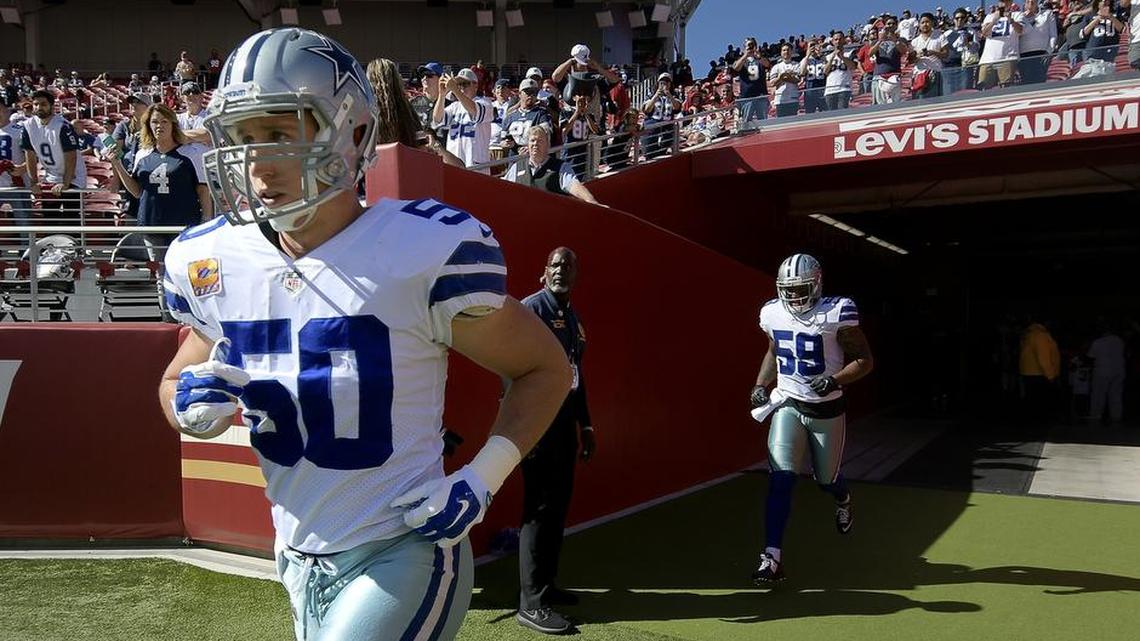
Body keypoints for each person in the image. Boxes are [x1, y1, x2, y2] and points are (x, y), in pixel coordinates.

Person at [158, 28, 571, 641]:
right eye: (243, 137)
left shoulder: (423, 248)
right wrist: (187, 405)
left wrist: (484, 477)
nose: (258, 162)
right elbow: (175, 378)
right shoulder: (211, 258)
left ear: (353, 133)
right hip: (295, 555)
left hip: (403, 546)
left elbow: (546, 367)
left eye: (278, 131)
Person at [750, 253, 874, 584]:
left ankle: (844, 499)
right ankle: (772, 557)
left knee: (826, 480)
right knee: (780, 478)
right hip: (789, 403)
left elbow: (864, 360)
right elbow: (774, 349)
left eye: (800, 288)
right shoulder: (772, 312)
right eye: (787, 290)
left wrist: (836, 380)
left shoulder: (837, 311)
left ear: (816, 284)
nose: (793, 296)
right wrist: (761, 384)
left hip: (827, 410)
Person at [516, 247, 595, 634]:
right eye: (556, 264)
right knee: (538, 510)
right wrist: (524, 428)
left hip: (564, 425)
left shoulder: (574, 319)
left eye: (569, 264)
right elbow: (512, 370)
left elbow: (576, 378)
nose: (562, 269)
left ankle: (547, 587)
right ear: (544, 271)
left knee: (557, 508)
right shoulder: (531, 310)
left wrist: (587, 426)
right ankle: (530, 603)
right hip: (538, 425)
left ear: (576, 274)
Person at [105, 103, 211, 261]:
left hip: (184, 225)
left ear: (173, 124)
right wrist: (117, 164)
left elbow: (203, 190)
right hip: (152, 224)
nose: (159, 126)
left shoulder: (191, 152)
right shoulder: (142, 154)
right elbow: (138, 192)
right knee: (159, 275)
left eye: (164, 121)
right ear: (148, 125)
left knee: (183, 271)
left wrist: (206, 222)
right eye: (154, 122)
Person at [20, 89, 88, 222]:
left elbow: (71, 157)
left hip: (73, 177)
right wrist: (33, 182)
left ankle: (73, 242)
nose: (39, 107)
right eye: (36, 104)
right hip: (51, 177)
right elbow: (30, 155)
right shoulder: (28, 126)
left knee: (71, 219)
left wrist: (66, 183)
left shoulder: (62, 126)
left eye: (43, 104)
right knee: (50, 218)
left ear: (51, 106)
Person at [502, 125, 599, 204]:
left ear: (548, 145)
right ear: (527, 144)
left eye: (540, 141)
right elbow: (504, 189)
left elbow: (574, 185)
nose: (535, 144)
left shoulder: (561, 167)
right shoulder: (517, 167)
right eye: (532, 140)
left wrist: (591, 201)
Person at [432, 68, 493, 172]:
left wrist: (455, 90)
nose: (461, 88)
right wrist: (442, 95)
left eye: (465, 84)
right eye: (459, 85)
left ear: (475, 85)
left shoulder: (485, 103)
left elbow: (474, 111)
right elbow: (437, 119)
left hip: (475, 165)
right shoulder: (454, 106)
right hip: (454, 162)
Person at [1018, 314, 1060, 426]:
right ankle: (1039, 425)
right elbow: (1043, 358)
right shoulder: (1041, 335)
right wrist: (1050, 375)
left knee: (1032, 401)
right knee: (1040, 402)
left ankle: (1032, 424)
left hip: (1028, 372)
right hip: (1039, 373)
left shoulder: (1028, 334)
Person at [0, 101, 33, 233]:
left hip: (16, 184)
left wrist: (24, 167)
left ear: (7, 111)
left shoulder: (19, 130)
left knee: (23, 221)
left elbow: (32, 155)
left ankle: (26, 251)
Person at [978, 0, 1024, 89]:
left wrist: (1011, 20)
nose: (1004, 4)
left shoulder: (1017, 14)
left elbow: (1020, 30)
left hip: (1008, 57)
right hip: (988, 59)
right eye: (1002, 1)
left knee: (1006, 87)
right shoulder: (990, 16)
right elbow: (984, 34)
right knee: (984, 87)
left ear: (1011, 2)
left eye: (1007, 1)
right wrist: (994, 21)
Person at [1087, 320, 1126, 425]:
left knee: (1098, 395)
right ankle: (1116, 416)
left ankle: (1096, 416)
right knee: (1116, 395)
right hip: (1119, 370)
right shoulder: (1119, 340)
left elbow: (1091, 356)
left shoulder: (1098, 342)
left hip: (1102, 371)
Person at [732, 37, 771, 131]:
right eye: (747, 45)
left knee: (763, 122)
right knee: (746, 122)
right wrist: (745, 55)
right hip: (747, 96)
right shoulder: (742, 60)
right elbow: (736, 68)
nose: (750, 47)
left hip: (761, 95)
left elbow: (767, 64)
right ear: (744, 48)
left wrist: (758, 55)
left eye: (752, 45)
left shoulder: (760, 59)